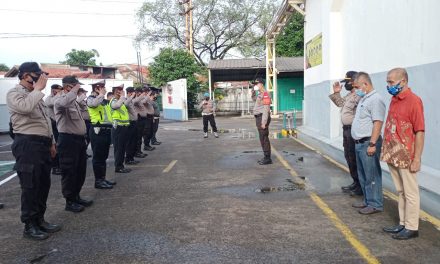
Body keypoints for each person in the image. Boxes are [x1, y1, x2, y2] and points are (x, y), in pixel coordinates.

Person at [6, 62, 61, 240]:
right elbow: (25, 108)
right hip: (27, 143)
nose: (38, 78)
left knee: (43, 184)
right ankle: (29, 225)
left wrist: (52, 142)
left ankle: (40, 219)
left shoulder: (35, 95)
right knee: (30, 185)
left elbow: (46, 121)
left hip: (43, 144)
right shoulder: (14, 93)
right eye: (35, 75)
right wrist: (38, 90)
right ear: (24, 75)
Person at [381, 68, 425, 240]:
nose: (389, 85)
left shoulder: (414, 101)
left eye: (391, 82)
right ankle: (403, 223)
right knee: (401, 191)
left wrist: (417, 158)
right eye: (388, 82)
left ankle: (412, 227)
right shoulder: (394, 99)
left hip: (407, 156)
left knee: (411, 192)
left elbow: (419, 131)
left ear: (404, 81)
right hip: (393, 154)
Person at [54, 76, 92, 213]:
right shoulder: (59, 98)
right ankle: (69, 201)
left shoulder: (74, 101)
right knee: (69, 171)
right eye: (76, 86)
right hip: (68, 140)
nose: (79, 90)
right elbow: (62, 104)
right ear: (68, 86)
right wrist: (73, 91)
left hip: (79, 140)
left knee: (80, 171)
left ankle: (76, 196)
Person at [351, 72, 386, 215]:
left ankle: (375, 204)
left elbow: (377, 122)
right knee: (363, 175)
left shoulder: (376, 99)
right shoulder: (364, 98)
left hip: (368, 143)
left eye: (358, 86)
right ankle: (367, 201)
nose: (356, 89)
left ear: (365, 84)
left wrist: (372, 144)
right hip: (359, 143)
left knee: (372, 175)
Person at [329, 71, 363, 196]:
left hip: (353, 130)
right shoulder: (350, 95)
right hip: (346, 130)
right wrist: (337, 92)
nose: (346, 85)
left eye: (347, 82)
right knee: (348, 156)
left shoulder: (359, 95)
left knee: (354, 157)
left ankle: (360, 185)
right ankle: (355, 181)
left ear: (354, 81)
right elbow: (340, 104)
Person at [87, 80, 116, 189]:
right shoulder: (91, 99)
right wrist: (101, 95)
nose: (105, 89)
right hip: (97, 130)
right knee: (98, 157)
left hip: (106, 130)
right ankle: (98, 181)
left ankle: (102, 178)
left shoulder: (103, 101)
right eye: (102, 88)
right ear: (96, 89)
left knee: (103, 156)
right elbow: (93, 104)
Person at [110, 84, 132, 173]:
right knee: (119, 148)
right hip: (118, 128)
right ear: (116, 92)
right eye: (120, 90)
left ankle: (121, 165)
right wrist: (122, 97)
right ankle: (118, 167)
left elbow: (125, 105)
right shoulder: (113, 101)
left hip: (123, 128)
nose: (122, 92)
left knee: (122, 148)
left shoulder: (120, 101)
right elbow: (116, 106)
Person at [252, 77, 272, 165]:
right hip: (258, 118)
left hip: (262, 118)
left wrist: (264, 122)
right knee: (262, 138)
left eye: (256, 84)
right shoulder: (260, 94)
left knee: (264, 138)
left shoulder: (265, 94)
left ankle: (268, 158)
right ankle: (265, 156)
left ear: (261, 84)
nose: (255, 86)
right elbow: (254, 100)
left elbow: (266, 109)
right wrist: (252, 92)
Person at [44, 84, 63, 175]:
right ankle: (55, 167)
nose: (60, 92)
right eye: (58, 90)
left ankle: (59, 165)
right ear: (53, 90)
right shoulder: (49, 99)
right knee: (55, 146)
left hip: (59, 125)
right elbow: (52, 103)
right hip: (52, 125)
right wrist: (59, 95)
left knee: (60, 146)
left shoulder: (58, 97)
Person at [124, 87, 142, 164]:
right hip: (130, 123)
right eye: (133, 92)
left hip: (134, 123)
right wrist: (131, 96)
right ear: (129, 93)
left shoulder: (130, 100)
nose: (134, 94)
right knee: (129, 142)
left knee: (134, 141)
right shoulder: (126, 100)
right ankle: (128, 159)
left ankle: (131, 157)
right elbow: (125, 104)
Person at [77, 87, 92, 157]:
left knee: (88, 138)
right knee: (84, 138)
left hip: (88, 121)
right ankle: (82, 153)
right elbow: (78, 101)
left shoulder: (83, 101)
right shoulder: (78, 100)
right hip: (84, 121)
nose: (85, 94)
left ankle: (84, 152)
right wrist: (83, 96)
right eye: (83, 92)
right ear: (79, 93)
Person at [134, 88, 148, 158]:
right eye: (141, 92)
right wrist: (141, 96)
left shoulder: (139, 99)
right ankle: (137, 152)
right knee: (138, 137)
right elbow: (135, 101)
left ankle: (139, 151)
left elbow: (145, 101)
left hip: (143, 119)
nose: (143, 94)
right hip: (139, 120)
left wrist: (145, 96)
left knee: (140, 137)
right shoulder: (136, 99)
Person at [143, 86, 156, 151]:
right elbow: (144, 102)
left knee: (151, 132)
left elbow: (152, 105)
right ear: (145, 92)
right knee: (147, 132)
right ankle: (146, 145)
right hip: (147, 117)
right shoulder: (143, 98)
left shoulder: (148, 99)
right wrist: (148, 95)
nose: (149, 93)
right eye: (147, 92)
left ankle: (148, 145)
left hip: (151, 117)